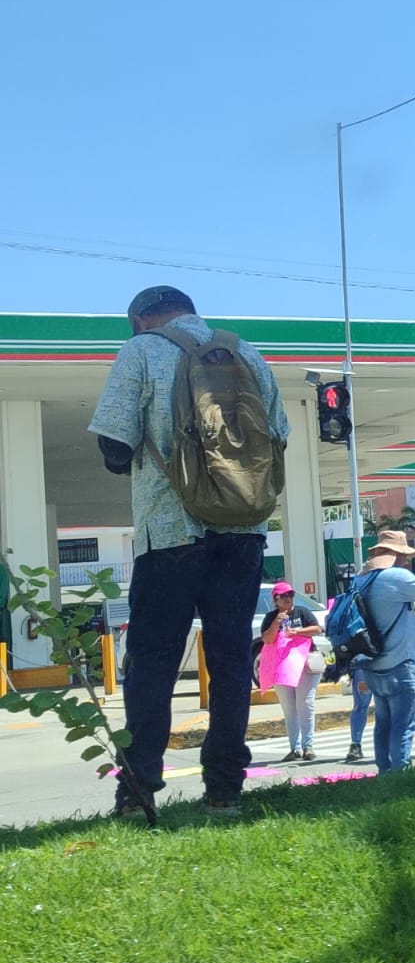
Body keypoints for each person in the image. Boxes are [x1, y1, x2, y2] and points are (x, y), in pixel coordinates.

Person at [88, 286, 288, 819]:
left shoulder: (142, 349)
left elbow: (114, 446)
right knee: (227, 659)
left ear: (140, 319)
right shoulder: (248, 354)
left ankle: (137, 794)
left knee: (152, 658)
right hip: (243, 529)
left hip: (172, 531)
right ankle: (225, 788)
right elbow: (279, 437)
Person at [353, 530, 415, 774]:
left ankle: (384, 772)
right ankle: (400, 775)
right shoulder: (395, 576)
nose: (406, 560)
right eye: (404, 555)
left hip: (373, 665)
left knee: (383, 723)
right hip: (400, 664)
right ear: (396, 555)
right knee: (404, 724)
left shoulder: (362, 579)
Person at [259, 583, 323, 762]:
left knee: (306, 704)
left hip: (304, 664)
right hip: (282, 667)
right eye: (284, 596)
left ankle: (308, 746)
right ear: (275, 600)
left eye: (291, 595)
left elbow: (317, 629)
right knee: (289, 708)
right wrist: (277, 622)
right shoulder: (271, 617)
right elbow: (267, 639)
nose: (288, 598)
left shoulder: (301, 612)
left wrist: (298, 632)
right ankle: (294, 748)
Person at [345, 665, 371, 764]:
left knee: (386, 704)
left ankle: (391, 744)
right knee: (360, 705)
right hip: (363, 668)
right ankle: (355, 744)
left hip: (386, 667)